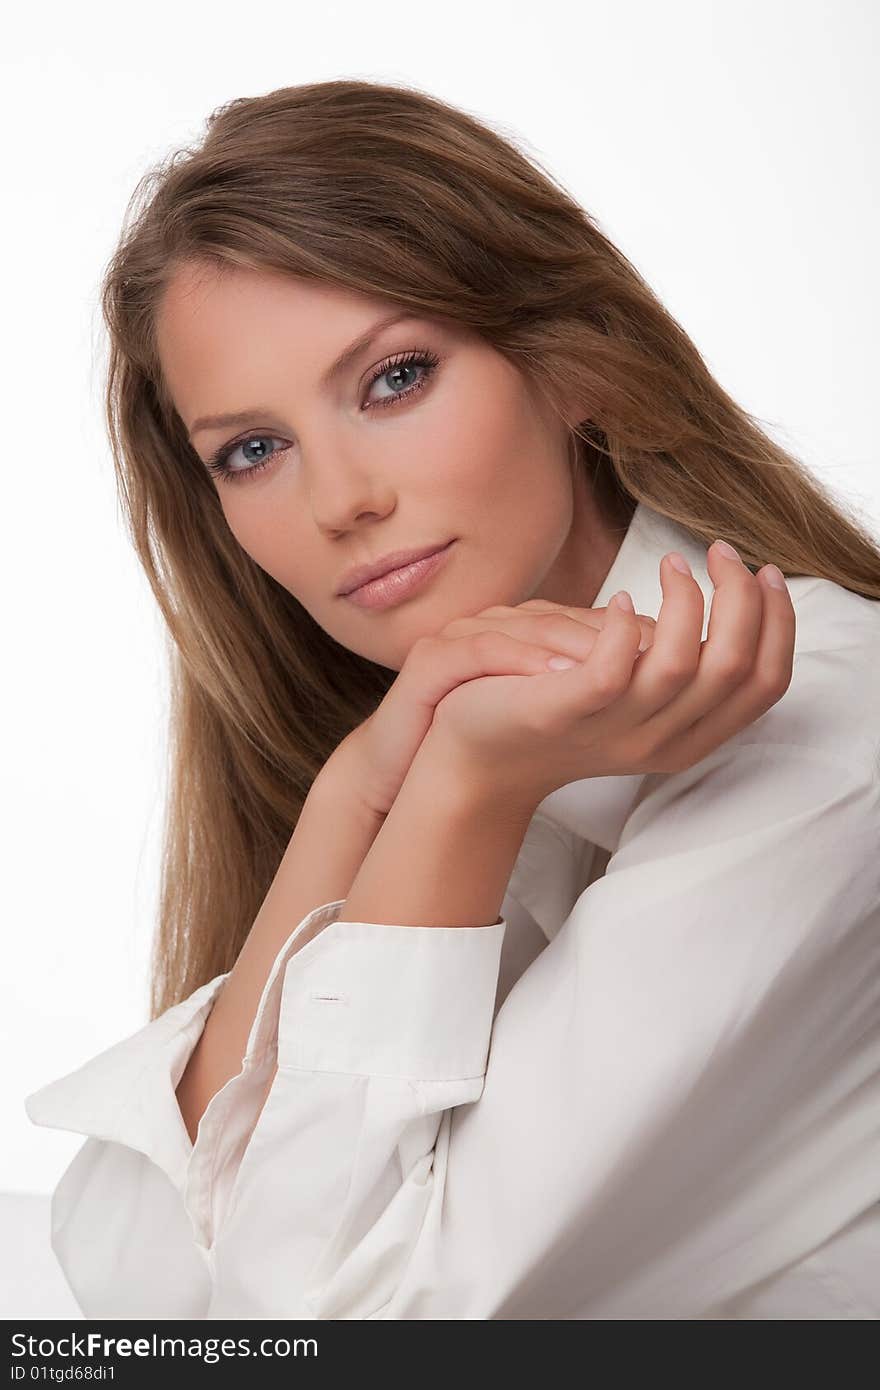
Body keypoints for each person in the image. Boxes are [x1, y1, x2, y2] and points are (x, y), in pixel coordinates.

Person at [25, 79, 880, 1320]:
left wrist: (460, 793)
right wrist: (362, 787)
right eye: (252, 451)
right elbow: (141, 1278)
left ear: (576, 362)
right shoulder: (470, 718)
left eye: (394, 379)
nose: (338, 501)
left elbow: (324, 1332)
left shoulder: (821, 731)